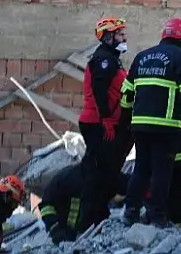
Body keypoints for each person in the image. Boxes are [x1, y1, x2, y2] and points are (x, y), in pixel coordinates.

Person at [120, 18, 181, 228]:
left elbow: (126, 93)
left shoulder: (142, 56)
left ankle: (130, 211)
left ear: (164, 35)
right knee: (161, 172)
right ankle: (157, 216)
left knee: (141, 169)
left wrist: (128, 116)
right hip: (166, 126)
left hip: (140, 125)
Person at [77, 17, 131, 232]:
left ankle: (98, 214)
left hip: (105, 122)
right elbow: (100, 91)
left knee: (106, 170)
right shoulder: (104, 60)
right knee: (99, 172)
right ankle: (88, 220)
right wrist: (107, 119)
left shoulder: (112, 58)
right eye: (120, 34)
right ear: (108, 37)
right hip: (98, 123)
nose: (124, 37)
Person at [38, 164, 129, 244]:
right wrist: (54, 227)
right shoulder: (66, 178)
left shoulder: (109, 177)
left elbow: (132, 185)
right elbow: (46, 204)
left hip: (96, 234)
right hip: (65, 234)